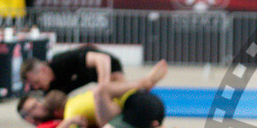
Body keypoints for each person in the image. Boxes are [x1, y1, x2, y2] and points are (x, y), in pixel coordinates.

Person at [17, 76, 191, 128]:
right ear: (29, 119)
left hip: (137, 106)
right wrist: (68, 126)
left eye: (38, 102)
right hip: (144, 106)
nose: (40, 105)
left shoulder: (72, 110)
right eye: (34, 107)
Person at [21, 45, 167, 96]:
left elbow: (103, 59)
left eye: (36, 82)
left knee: (114, 92)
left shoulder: (61, 61)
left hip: (106, 64)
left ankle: (144, 84)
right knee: (114, 93)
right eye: (33, 86)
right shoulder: (48, 90)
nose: (36, 87)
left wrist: (103, 86)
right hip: (89, 75)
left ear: (44, 70)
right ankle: (144, 84)